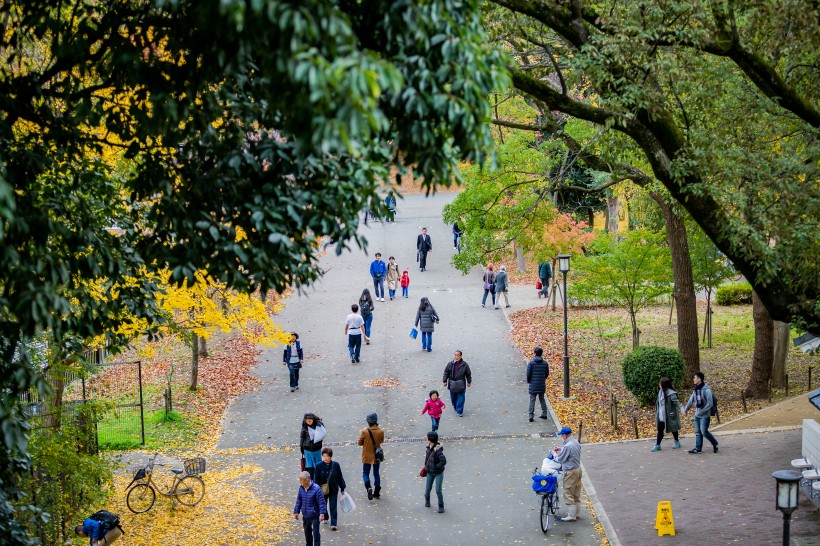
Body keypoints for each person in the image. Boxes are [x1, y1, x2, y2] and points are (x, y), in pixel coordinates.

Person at [549, 426, 582, 522]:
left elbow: (560, 459)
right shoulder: (575, 442)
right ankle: (577, 513)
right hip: (578, 469)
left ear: (565, 435)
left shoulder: (568, 446)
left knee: (568, 492)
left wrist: (554, 453)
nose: (561, 437)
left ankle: (572, 515)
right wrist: (560, 449)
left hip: (570, 471)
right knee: (576, 492)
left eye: (562, 435)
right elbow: (569, 452)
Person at [683, 371, 719, 454]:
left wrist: (702, 412)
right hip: (697, 415)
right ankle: (698, 448)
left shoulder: (707, 390)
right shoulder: (696, 389)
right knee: (698, 432)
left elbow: (710, 404)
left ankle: (715, 443)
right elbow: (691, 400)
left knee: (704, 432)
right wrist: (685, 410)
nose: (693, 379)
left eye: (695, 378)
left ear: (699, 379)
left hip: (705, 415)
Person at [314, 447, 346, 531]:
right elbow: (316, 479)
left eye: (327, 456)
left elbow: (339, 477)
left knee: (333, 506)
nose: (325, 458)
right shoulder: (318, 466)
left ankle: (333, 524)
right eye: (324, 456)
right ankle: (326, 517)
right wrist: (316, 489)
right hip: (322, 490)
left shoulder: (336, 465)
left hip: (333, 489)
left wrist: (342, 487)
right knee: (323, 504)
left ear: (331, 457)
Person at [293, 470, 326, 546]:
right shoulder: (301, 488)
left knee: (316, 533)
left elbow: (321, 502)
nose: (300, 482)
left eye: (302, 480)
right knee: (307, 534)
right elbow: (299, 500)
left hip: (315, 515)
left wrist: (322, 513)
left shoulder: (316, 489)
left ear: (307, 480)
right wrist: (296, 512)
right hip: (306, 515)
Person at [358, 413, 385, 500]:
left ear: (368, 422)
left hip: (366, 456)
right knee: (376, 473)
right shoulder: (381, 432)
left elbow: (359, 443)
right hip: (376, 456)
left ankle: (368, 487)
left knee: (365, 473)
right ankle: (377, 491)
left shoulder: (364, 432)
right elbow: (381, 441)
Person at [652, 377, 683, 451]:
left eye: (660, 383)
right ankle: (658, 445)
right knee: (660, 429)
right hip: (661, 415)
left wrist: (682, 409)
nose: (659, 384)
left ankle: (677, 442)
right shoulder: (660, 392)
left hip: (669, 415)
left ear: (663, 385)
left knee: (673, 429)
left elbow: (677, 403)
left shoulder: (671, 393)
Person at [423, 431, 447, 513]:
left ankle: (441, 506)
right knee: (427, 489)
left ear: (430, 439)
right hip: (430, 472)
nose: (427, 439)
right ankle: (427, 500)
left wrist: (437, 466)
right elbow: (427, 459)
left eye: (427, 438)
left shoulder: (438, 451)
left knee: (438, 490)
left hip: (438, 473)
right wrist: (426, 467)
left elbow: (443, 461)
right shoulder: (428, 447)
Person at [442, 351, 472, 416]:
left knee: (461, 398)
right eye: (455, 355)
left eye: (458, 355)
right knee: (453, 397)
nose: (456, 357)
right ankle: (455, 406)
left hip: (461, 384)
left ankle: (460, 411)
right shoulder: (450, 364)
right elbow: (446, 372)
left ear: (461, 356)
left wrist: (469, 382)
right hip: (452, 383)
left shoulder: (465, 365)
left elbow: (468, 374)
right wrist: (444, 381)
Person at [526, 347, 550, 423]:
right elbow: (547, 373)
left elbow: (528, 374)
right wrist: (543, 379)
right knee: (542, 399)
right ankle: (544, 413)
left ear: (535, 353)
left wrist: (529, 381)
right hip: (541, 384)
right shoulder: (545, 363)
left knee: (532, 400)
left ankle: (531, 415)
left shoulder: (531, 363)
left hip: (533, 384)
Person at [300, 413, 327, 480]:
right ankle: (311, 480)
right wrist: (302, 448)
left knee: (317, 465)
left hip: (316, 449)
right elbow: (302, 438)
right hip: (307, 449)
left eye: (310, 420)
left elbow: (321, 435)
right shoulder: (304, 426)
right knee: (309, 466)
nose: (309, 422)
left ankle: (318, 479)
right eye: (307, 420)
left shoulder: (318, 425)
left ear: (313, 419)